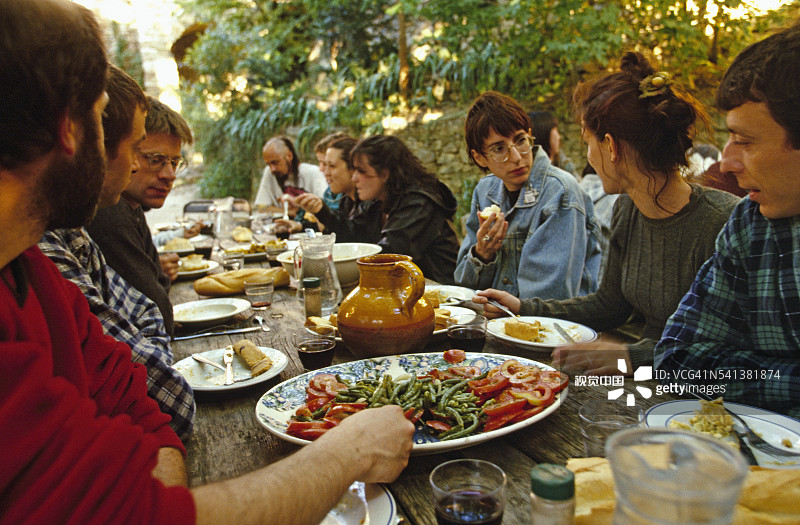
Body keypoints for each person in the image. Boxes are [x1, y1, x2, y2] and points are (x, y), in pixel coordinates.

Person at [0, 1, 415, 522]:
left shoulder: (29, 270)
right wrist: (347, 452)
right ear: (70, 127)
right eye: (129, 143)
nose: (131, 163)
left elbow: (141, 399)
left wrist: (161, 493)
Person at [476, 55, 740, 375]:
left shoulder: (723, 223)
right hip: (647, 379)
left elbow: (728, 349)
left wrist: (631, 356)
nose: (588, 154)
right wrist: (523, 308)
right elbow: (610, 305)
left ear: (611, 147)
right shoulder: (627, 209)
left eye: (588, 142)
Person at [38, 64, 195, 441]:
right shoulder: (58, 238)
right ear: (70, 137)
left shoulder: (71, 234)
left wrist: (145, 355)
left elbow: (147, 310)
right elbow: (170, 402)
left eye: (174, 162)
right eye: (146, 153)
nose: (164, 172)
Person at [655, 21, 800, 419]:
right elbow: (679, 361)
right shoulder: (752, 225)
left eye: (746, 141)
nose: (727, 163)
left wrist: (746, 366)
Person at [455, 91, 601, 300]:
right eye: (499, 148)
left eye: (521, 140)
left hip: (554, 327)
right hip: (498, 321)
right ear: (478, 157)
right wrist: (481, 255)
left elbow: (552, 297)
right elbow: (462, 285)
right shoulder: (485, 192)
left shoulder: (560, 192)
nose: (516, 157)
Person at [86, 97, 193, 335]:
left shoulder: (131, 206)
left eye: (175, 162)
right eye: (156, 160)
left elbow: (160, 282)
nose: (170, 174)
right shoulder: (108, 212)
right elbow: (159, 311)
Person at [350, 134, 461, 284]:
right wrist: (322, 212)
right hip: (408, 288)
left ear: (384, 174)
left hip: (441, 293)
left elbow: (388, 255)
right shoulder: (379, 202)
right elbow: (353, 235)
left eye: (361, 171)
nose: (354, 178)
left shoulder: (418, 204)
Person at [292, 136, 382, 242]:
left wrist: (322, 212)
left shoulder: (371, 200)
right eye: (325, 165)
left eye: (332, 166)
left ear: (352, 168)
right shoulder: (346, 200)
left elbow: (358, 240)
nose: (325, 172)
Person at [253, 135, 329, 210]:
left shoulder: (313, 172)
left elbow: (325, 207)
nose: (272, 169)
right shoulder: (269, 172)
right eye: (268, 164)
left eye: (275, 162)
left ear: (289, 156)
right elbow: (262, 207)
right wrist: (291, 213)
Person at [528, 110, 578, 177]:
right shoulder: (532, 171)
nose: (559, 137)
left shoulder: (562, 161)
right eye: (556, 131)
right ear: (544, 135)